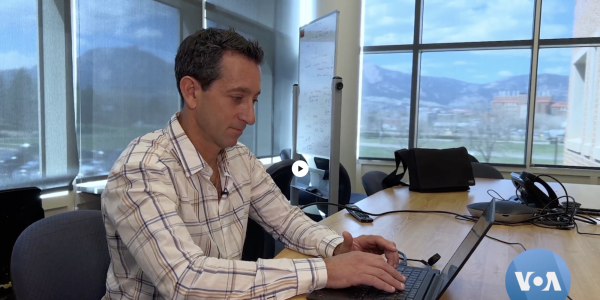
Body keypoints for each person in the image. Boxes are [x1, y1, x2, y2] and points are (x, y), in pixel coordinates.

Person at [101, 27, 406, 300]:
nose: (250, 117)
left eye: (254, 100)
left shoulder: (238, 158)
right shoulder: (142, 169)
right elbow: (186, 282)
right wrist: (327, 270)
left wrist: (338, 248)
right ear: (192, 92)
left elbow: (287, 221)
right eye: (237, 98)